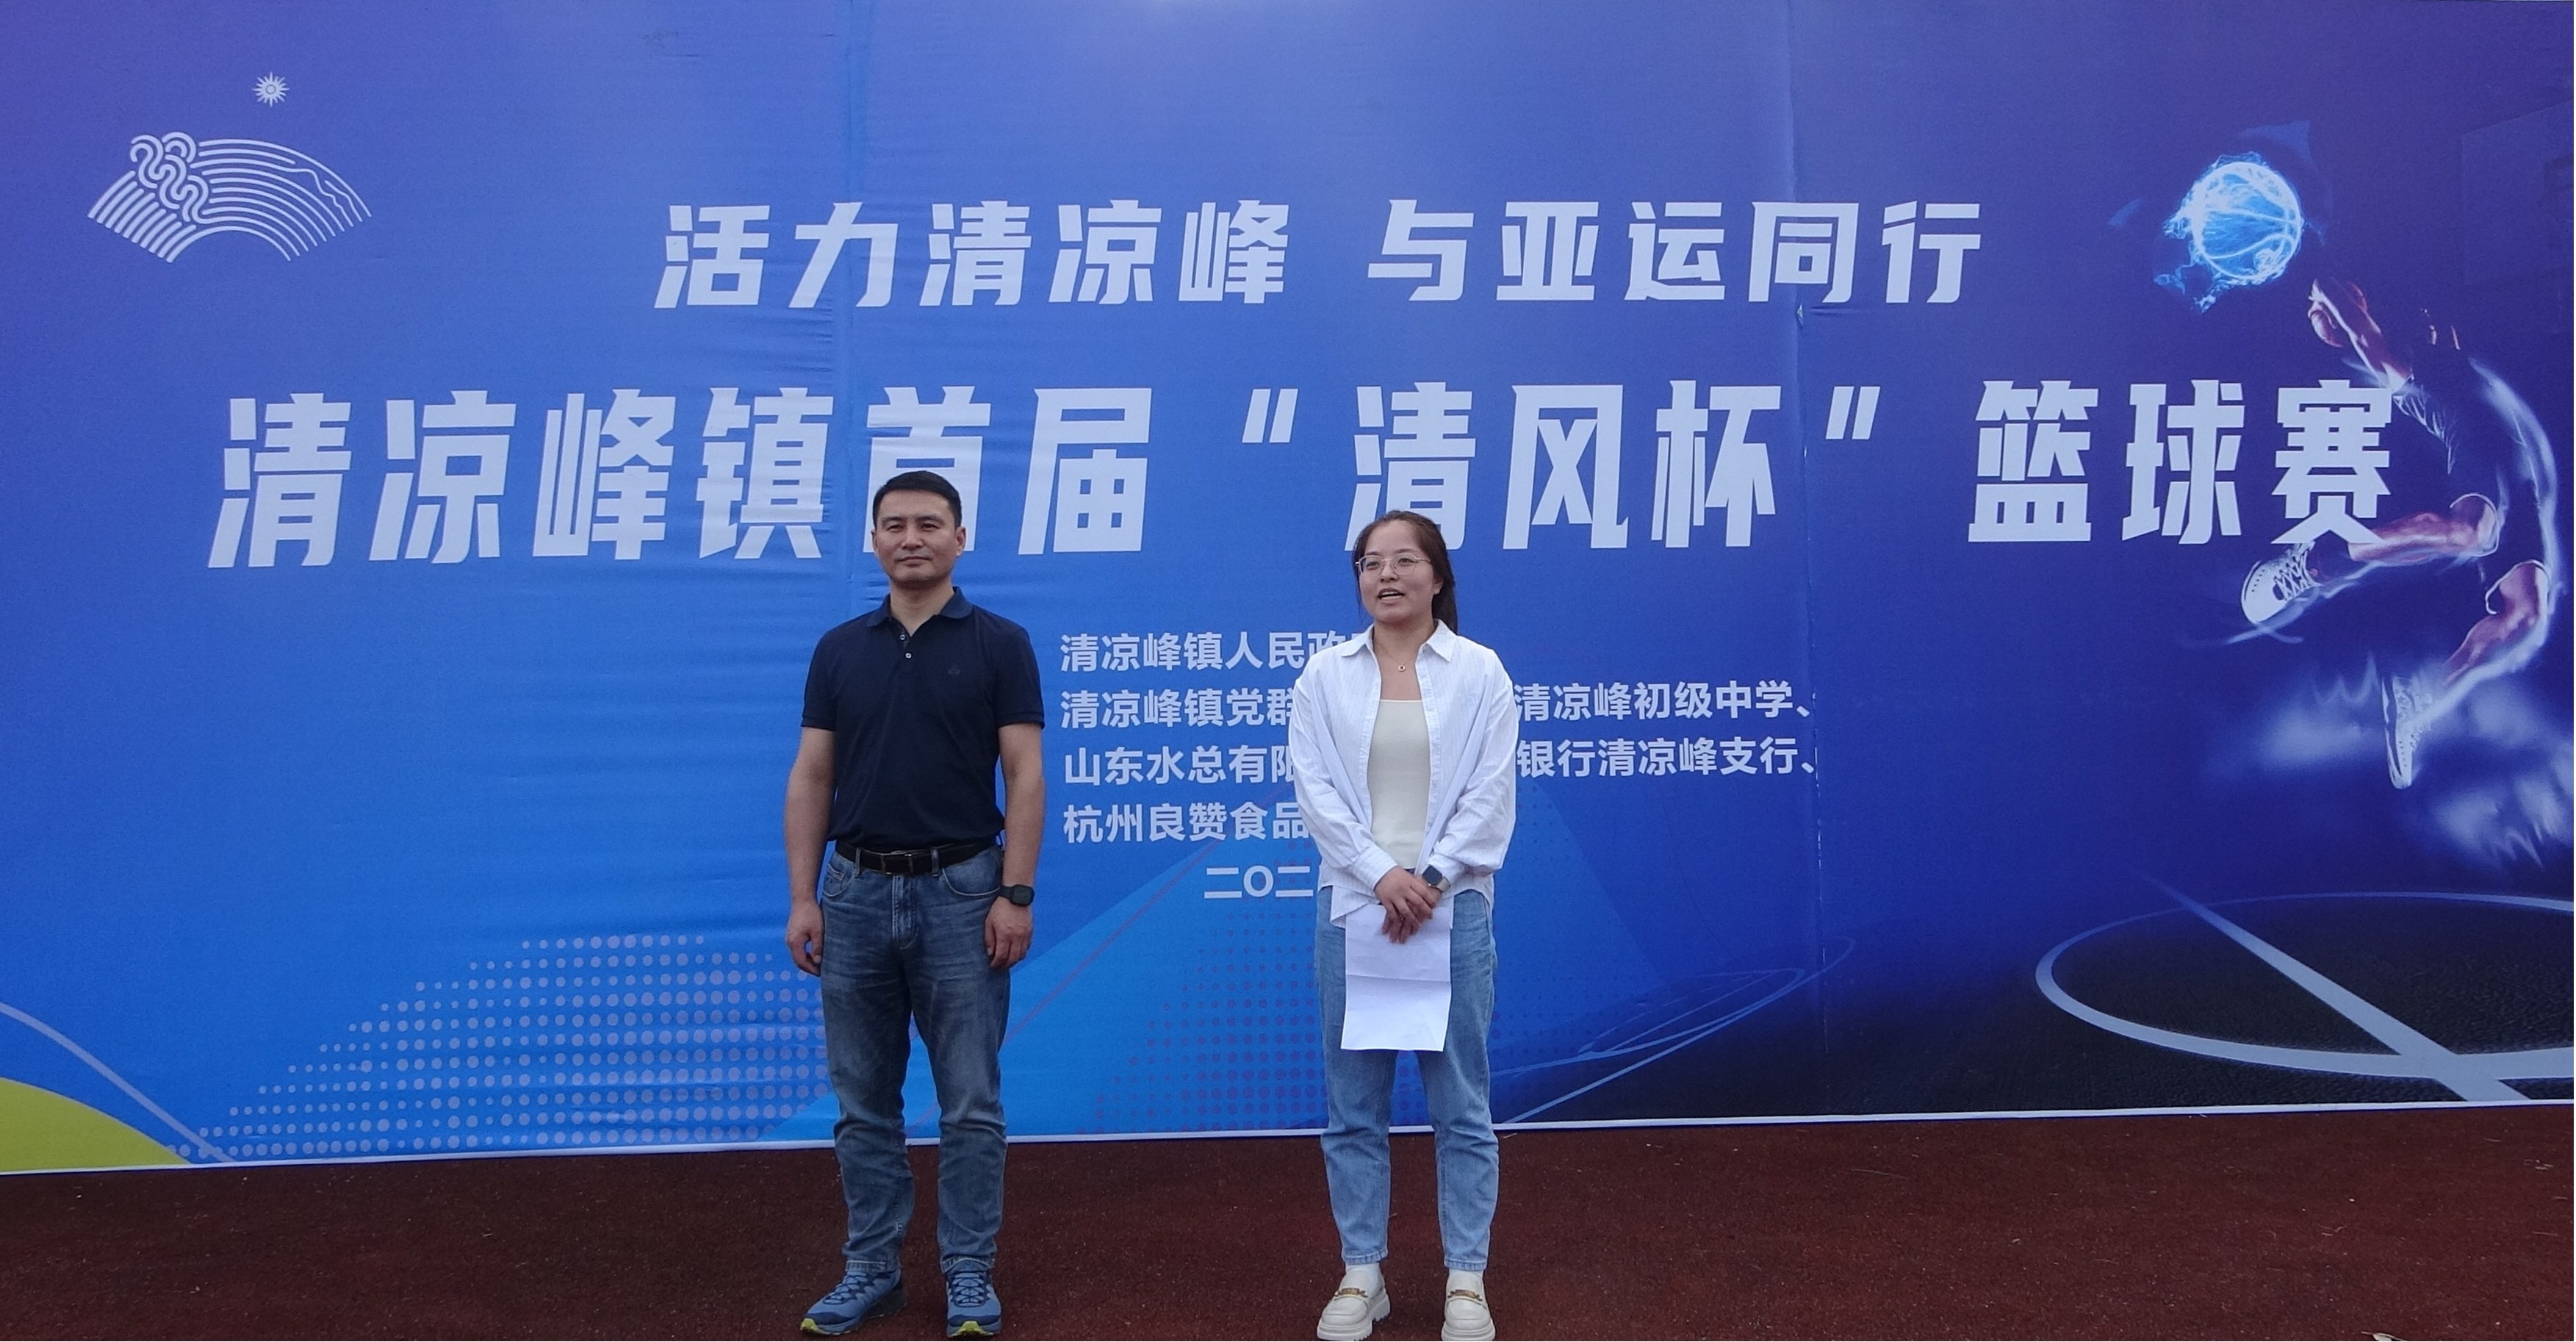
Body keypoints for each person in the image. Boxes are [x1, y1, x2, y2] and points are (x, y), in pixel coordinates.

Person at [783, 470, 1046, 1339]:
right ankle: (872, 1267)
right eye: (893, 524)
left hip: (963, 893)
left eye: (929, 523)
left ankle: (968, 1269)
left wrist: (1014, 892)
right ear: (873, 540)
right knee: (863, 1101)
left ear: (959, 537)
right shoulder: (839, 649)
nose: (910, 538)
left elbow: (1025, 775)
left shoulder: (1000, 643)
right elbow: (811, 775)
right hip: (852, 893)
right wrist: (802, 896)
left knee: (969, 1101)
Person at [1287, 509, 1519, 1342]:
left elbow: (1490, 792)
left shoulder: (1480, 672)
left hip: (1451, 910)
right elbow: (1314, 790)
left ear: (1437, 575)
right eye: (1369, 563)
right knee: (1353, 1107)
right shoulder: (1324, 675)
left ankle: (1466, 1279)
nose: (1385, 575)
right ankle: (1362, 1273)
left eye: (1403, 560)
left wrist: (1429, 877)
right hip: (1355, 908)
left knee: (1461, 1106)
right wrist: (1381, 875)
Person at [2239, 276, 2561, 785]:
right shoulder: (2408, 368)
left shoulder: (2461, 360)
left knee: (2526, 616)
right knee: (2471, 533)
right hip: (2478, 454)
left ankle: (2420, 702)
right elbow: (2357, 326)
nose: (2435, 325)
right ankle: (2316, 562)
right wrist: (2326, 287)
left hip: (2520, 486)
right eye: (2426, 322)